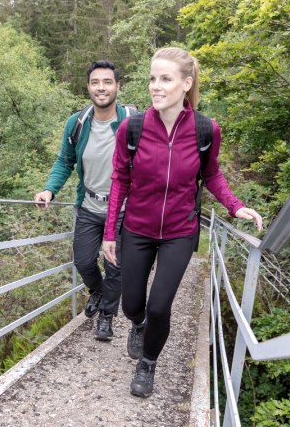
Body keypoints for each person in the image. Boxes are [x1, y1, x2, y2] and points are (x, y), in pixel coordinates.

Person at [102, 47, 263, 398]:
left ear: (186, 83)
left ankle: (148, 363)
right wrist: (109, 232)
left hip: (179, 231)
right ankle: (138, 323)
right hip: (137, 229)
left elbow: (212, 175)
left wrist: (236, 207)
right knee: (132, 304)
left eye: (165, 79)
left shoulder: (206, 130)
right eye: (152, 79)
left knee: (160, 303)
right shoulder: (132, 128)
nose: (155, 87)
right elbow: (119, 180)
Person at [35, 60, 133, 342]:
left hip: (125, 210)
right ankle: (98, 291)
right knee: (83, 261)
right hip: (89, 206)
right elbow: (64, 162)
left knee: (115, 267)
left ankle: (107, 316)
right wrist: (49, 190)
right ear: (88, 87)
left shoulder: (133, 121)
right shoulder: (77, 123)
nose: (101, 88)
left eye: (107, 82)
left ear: (117, 86)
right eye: (95, 83)